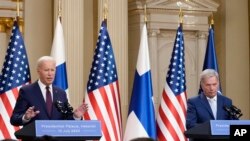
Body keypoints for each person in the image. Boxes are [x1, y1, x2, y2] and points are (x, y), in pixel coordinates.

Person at [10, 56, 88, 126]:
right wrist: (26, 117)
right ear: (38, 71)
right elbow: (14, 119)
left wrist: (76, 116)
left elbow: (66, 120)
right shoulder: (27, 91)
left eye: (52, 70)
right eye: (46, 70)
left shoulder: (61, 93)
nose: (50, 74)